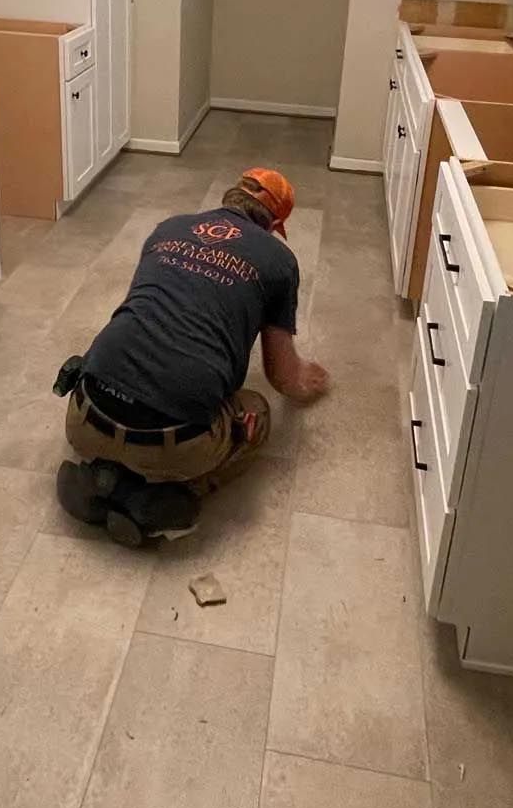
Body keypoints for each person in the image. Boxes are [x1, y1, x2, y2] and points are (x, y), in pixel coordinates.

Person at [55, 168, 331, 545]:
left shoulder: (167, 229)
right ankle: (168, 496)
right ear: (274, 223)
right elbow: (282, 377)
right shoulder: (278, 261)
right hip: (176, 449)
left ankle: (103, 476)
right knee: (257, 411)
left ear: (229, 198)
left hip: (84, 416)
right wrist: (308, 383)